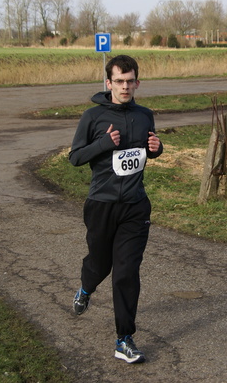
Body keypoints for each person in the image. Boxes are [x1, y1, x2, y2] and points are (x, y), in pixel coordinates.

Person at [68, 55, 163, 364]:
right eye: (119, 81)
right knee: (99, 264)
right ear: (108, 83)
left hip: (135, 206)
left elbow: (146, 151)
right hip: (101, 205)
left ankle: (124, 339)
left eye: (130, 81)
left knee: (126, 272)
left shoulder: (145, 115)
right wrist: (103, 144)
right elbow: (75, 158)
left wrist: (157, 150)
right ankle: (85, 287)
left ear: (137, 83)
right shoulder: (92, 117)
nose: (125, 86)